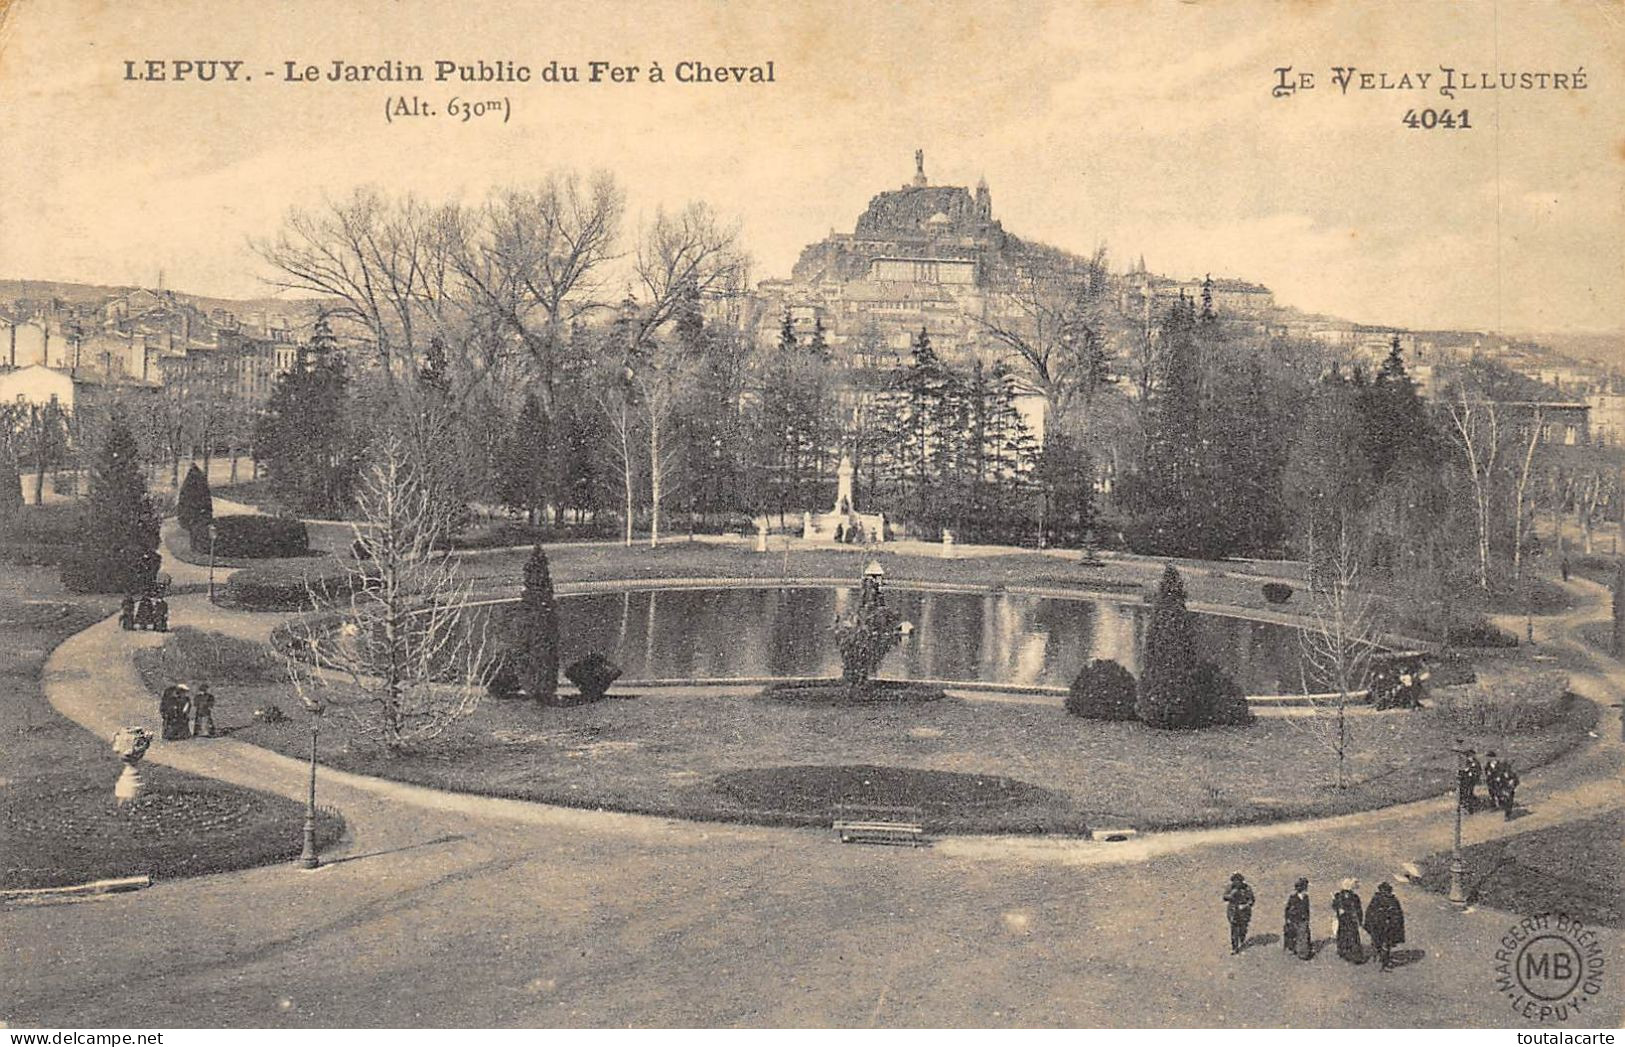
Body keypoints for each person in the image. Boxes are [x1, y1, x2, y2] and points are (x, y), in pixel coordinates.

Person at [1363, 882, 1406, 971]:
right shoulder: (1376, 899)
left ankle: (1384, 962)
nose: (1385, 892)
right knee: (1378, 943)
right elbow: (1370, 912)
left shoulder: (1393, 900)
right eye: (1383, 890)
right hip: (1377, 926)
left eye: (1387, 890)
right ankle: (1379, 959)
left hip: (1388, 927)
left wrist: (1394, 923)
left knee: (1386, 944)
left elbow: (1398, 914)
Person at [1331, 878, 1365, 963]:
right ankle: (1346, 953)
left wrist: (1359, 920)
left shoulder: (1352, 897)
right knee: (1347, 936)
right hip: (1345, 920)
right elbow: (1334, 906)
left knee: (1349, 936)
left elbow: (1358, 909)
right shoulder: (1340, 896)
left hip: (1349, 920)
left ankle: (1351, 954)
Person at [1223, 873, 1255, 954]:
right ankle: (1235, 947)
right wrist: (1231, 894)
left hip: (1244, 912)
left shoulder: (1247, 888)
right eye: (1235, 881)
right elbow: (1224, 897)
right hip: (1233, 910)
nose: (1237, 883)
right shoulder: (1230, 888)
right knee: (1234, 929)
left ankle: (1242, 938)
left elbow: (1251, 900)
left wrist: (1245, 905)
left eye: (1238, 881)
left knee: (1243, 927)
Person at [1283, 878, 1313, 960]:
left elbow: (1307, 909)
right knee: (1295, 935)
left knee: (1303, 935)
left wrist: (1307, 918)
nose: (1305, 891)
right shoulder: (1293, 898)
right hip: (1294, 919)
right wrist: (1288, 919)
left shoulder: (1306, 898)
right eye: (1304, 889)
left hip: (1303, 920)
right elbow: (1288, 909)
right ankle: (1296, 950)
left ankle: (1303, 953)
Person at [1458, 749, 1482, 813]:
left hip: (1472, 781)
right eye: (1468, 756)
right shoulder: (1468, 762)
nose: (1469, 758)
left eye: (1470, 756)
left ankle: (1471, 808)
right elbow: (1464, 772)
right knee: (1466, 793)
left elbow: (1478, 771)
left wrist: (1472, 773)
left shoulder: (1476, 763)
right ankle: (1467, 806)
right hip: (1466, 781)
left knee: (1469, 793)